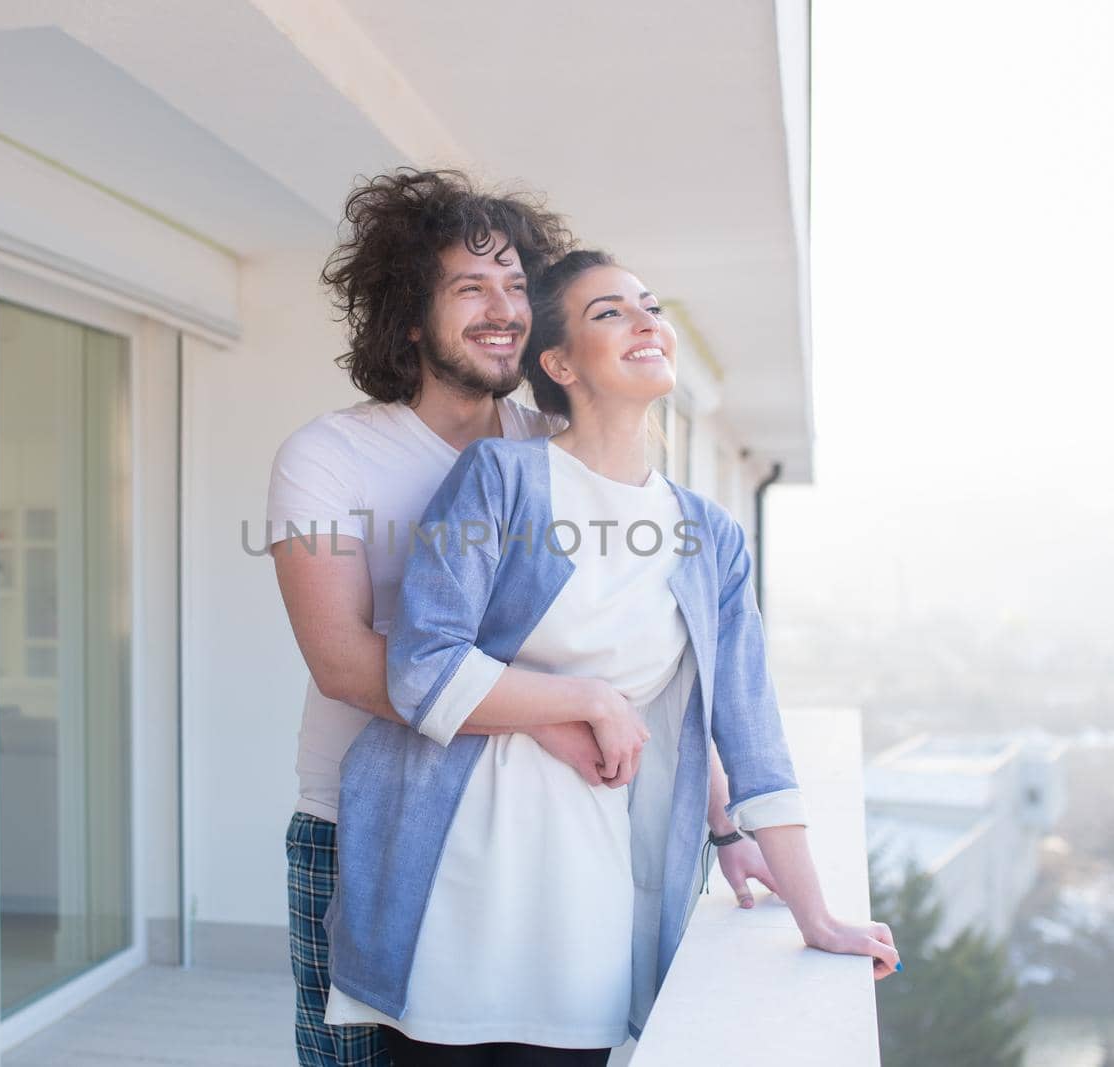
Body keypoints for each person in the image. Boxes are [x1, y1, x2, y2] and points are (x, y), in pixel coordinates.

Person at [323, 251, 900, 1065]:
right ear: (558, 363)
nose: (644, 322)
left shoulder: (711, 536)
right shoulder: (501, 478)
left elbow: (750, 728)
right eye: (609, 313)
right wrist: (588, 700)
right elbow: (423, 663)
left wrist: (812, 909)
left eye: (650, 306)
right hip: (451, 865)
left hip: (587, 880)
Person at [267, 172, 782, 1067]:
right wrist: (554, 709)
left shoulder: (548, 457)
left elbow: (649, 662)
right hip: (358, 819)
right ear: (408, 313)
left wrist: (728, 827)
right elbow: (346, 663)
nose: (503, 308)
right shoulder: (327, 456)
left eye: (516, 285)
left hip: (521, 831)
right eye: (471, 287)